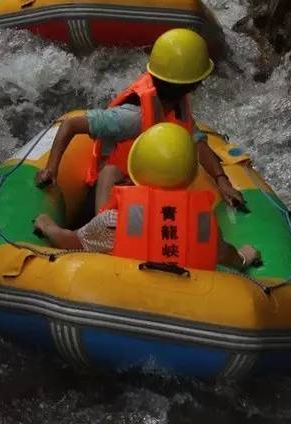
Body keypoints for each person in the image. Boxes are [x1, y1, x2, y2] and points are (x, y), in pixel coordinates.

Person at [34, 28, 244, 212]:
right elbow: (71, 124)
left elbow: (196, 140)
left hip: (151, 189)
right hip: (113, 190)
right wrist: (51, 169)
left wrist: (221, 180)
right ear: (193, 84)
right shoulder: (132, 117)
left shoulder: (179, 106)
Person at [34, 123, 261, 269]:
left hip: (125, 302)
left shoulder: (113, 221)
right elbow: (226, 255)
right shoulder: (204, 222)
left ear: (137, 173)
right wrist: (245, 256)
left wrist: (47, 226)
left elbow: (71, 242)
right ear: (190, 175)